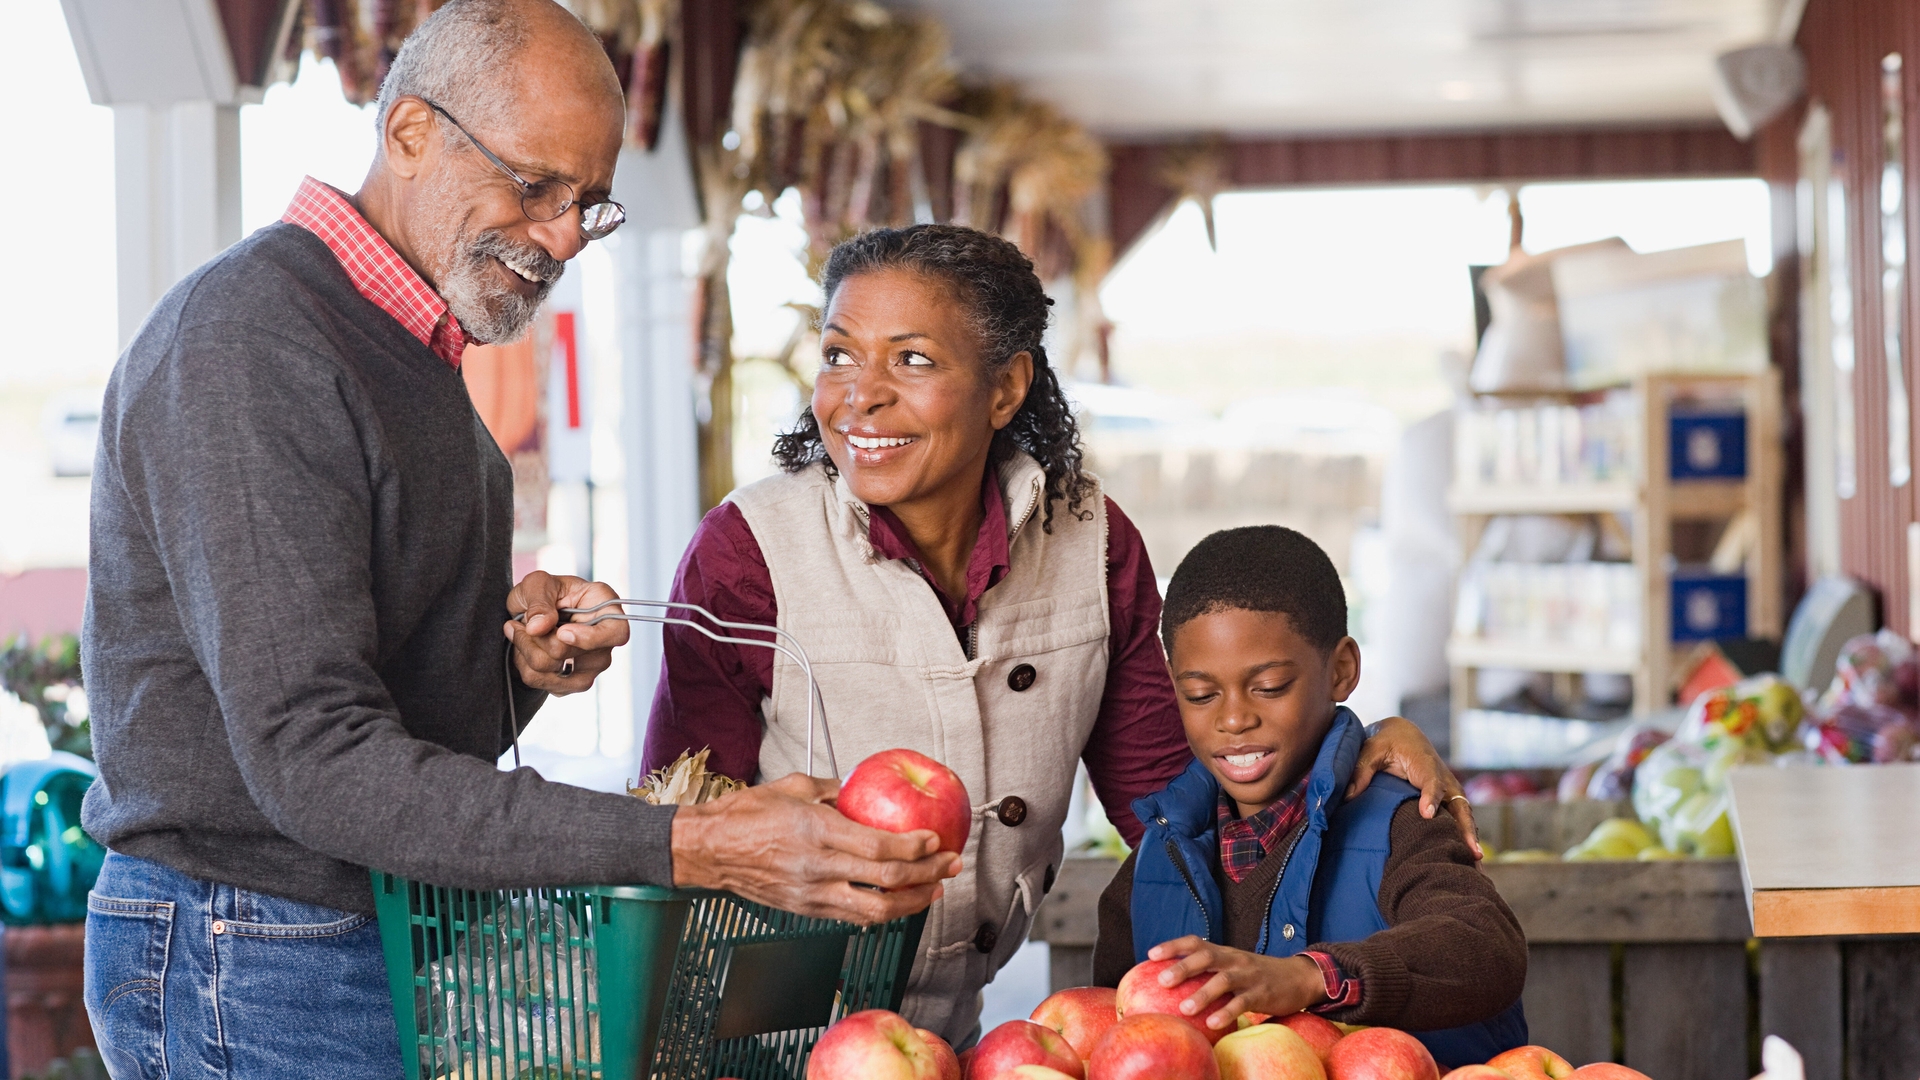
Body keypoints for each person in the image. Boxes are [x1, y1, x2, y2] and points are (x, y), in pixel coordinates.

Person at [78, 4, 953, 1077]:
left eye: (589, 205)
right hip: (252, 944)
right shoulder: (252, 344)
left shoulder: (411, 345)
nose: (561, 237)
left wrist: (514, 670)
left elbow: (386, 715)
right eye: (534, 187)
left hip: (341, 932)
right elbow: (315, 760)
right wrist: (696, 845)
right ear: (408, 133)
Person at [643, 224, 1478, 1047]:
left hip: (950, 1042)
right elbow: (677, 825)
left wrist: (1355, 748)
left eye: (913, 359)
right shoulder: (748, 551)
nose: (859, 394)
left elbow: (1178, 810)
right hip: (751, 1029)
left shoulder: (1092, 544)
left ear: (1006, 389)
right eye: (837, 355)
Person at [1092, 526, 1527, 1067]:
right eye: (1200, 694)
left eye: (1269, 686)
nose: (1233, 718)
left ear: (1341, 670)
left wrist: (1310, 977)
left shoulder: (1400, 822)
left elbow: (1486, 947)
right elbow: (1109, 1041)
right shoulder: (1152, 866)